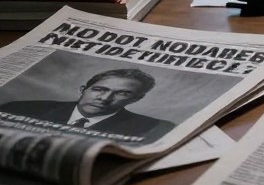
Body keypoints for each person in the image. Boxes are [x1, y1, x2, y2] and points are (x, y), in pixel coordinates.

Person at [0, 67, 174, 140]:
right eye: (99, 90)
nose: (104, 98)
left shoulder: (154, 129)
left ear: (136, 99)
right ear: (83, 89)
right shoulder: (19, 108)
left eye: (122, 93)